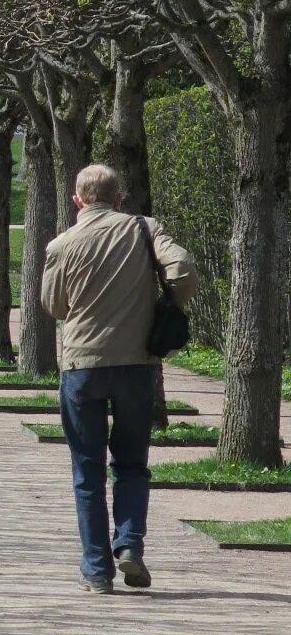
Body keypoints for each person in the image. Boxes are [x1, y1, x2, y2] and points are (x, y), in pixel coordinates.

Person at [41, 163, 197, 595]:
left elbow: (54, 306)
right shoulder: (144, 229)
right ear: (119, 198)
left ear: (77, 200)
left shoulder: (61, 244)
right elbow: (182, 268)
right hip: (136, 365)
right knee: (131, 464)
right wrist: (167, 304)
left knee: (87, 471)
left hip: (82, 367)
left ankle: (96, 570)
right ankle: (129, 543)